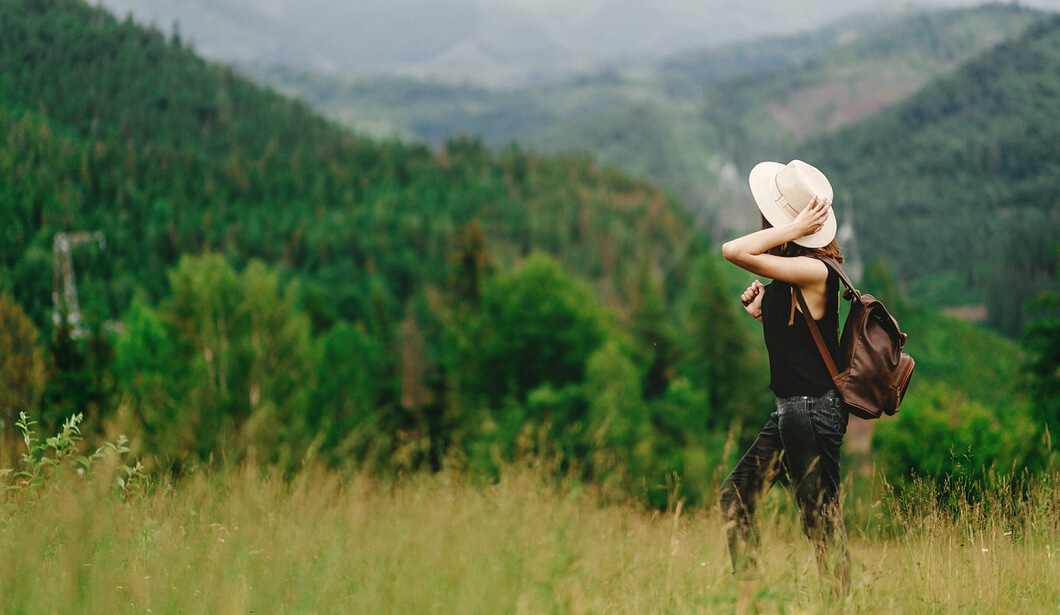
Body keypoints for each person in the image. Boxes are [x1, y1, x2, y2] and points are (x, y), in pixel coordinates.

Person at [718, 159, 851, 598]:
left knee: (822, 523)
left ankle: (841, 607)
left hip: (812, 410)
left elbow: (734, 250)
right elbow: (801, 344)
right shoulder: (791, 274)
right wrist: (763, 313)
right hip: (792, 411)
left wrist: (791, 228)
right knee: (736, 496)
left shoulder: (816, 270)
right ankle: (751, 600)